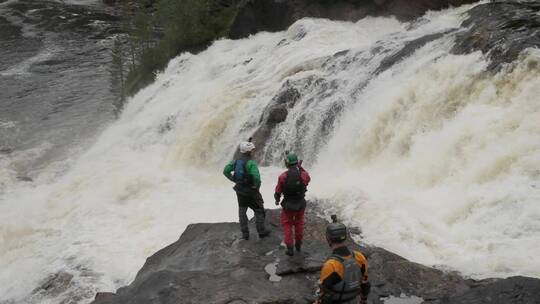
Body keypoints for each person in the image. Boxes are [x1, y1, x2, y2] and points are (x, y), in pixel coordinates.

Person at [316, 215, 370, 304]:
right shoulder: (359, 257)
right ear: (345, 237)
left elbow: (325, 296)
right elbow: (365, 284)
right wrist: (363, 300)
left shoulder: (331, 265)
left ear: (328, 239)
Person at [223, 141, 270, 240]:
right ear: (249, 151)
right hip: (251, 192)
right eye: (252, 150)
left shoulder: (235, 161)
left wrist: (233, 179)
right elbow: (256, 177)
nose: (253, 151)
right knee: (259, 210)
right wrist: (255, 187)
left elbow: (226, 171)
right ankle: (261, 231)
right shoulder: (251, 163)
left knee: (242, 211)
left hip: (239, 190)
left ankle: (245, 234)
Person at [274, 152, 311, 256]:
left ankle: (290, 249)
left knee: (287, 225)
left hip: (288, 205)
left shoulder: (283, 176)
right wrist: (301, 167)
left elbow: (278, 191)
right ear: (296, 163)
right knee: (299, 223)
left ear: (287, 163)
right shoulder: (303, 175)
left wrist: (277, 200)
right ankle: (298, 246)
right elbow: (308, 179)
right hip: (300, 204)